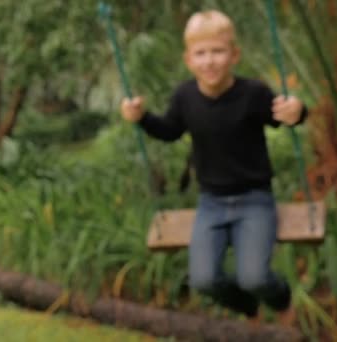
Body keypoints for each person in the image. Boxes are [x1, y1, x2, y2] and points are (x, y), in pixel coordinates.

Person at [120, 10, 307, 324]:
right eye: (201, 53)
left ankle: (282, 298)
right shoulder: (185, 97)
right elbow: (169, 130)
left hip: (254, 199)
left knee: (255, 277)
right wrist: (142, 119)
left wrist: (297, 111)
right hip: (212, 202)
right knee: (203, 280)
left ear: (234, 55)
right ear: (188, 59)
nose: (210, 61)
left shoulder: (253, 94)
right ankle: (249, 308)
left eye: (218, 51)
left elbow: (283, 116)